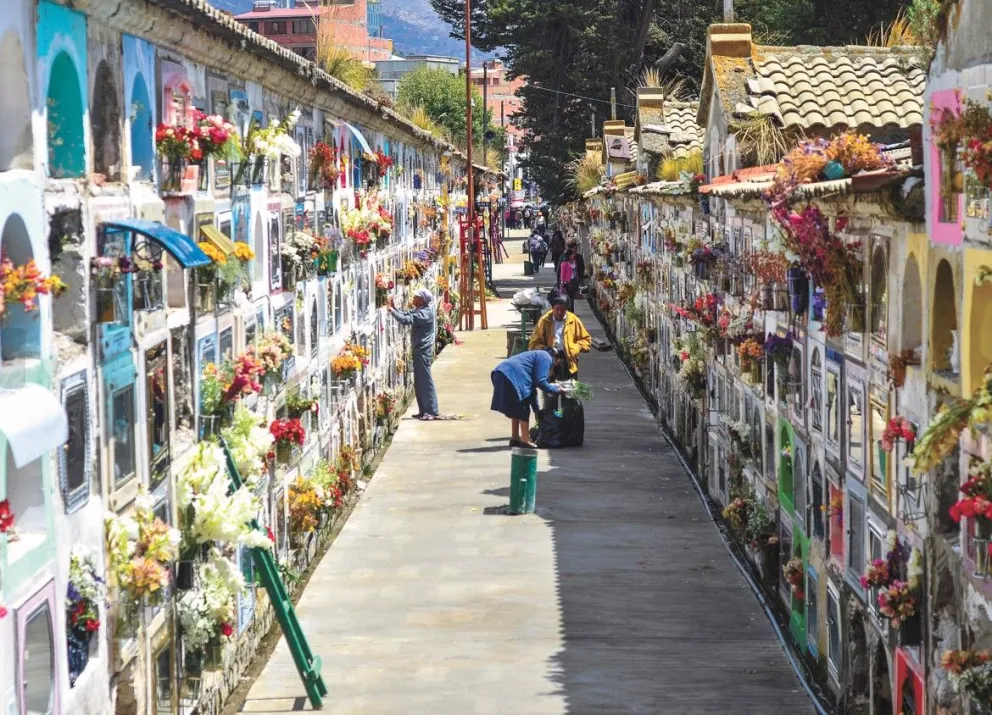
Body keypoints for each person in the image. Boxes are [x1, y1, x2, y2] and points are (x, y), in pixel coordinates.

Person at [491, 347, 568, 448]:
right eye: (558, 363)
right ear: (557, 358)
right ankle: (525, 440)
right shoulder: (546, 358)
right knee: (523, 407)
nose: (555, 366)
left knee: (516, 408)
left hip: (500, 372)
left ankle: (515, 438)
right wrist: (557, 391)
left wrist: (537, 411)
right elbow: (541, 381)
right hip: (512, 375)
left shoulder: (539, 355)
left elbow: (532, 391)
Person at [388, 289, 439, 420]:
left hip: (423, 350)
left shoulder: (425, 313)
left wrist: (391, 311)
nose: (412, 299)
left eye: (415, 297)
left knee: (425, 381)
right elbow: (406, 313)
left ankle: (431, 411)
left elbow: (406, 320)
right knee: (419, 382)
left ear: (422, 300)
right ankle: (423, 410)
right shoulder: (420, 310)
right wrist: (394, 308)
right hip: (418, 350)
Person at [528, 296, 592, 380]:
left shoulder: (574, 320)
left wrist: (575, 348)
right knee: (551, 390)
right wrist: (546, 350)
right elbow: (533, 344)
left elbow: (586, 340)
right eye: (557, 309)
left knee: (570, 390)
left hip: (569, 361)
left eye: (563, 310)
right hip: (550, 361)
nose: (559, 312)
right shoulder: (544, 321)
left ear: (566, 309)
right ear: (552, 308)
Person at [558, 247, 580, 312]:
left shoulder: (574, 262)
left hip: (574, 281)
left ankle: (572, 311)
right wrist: (562, 283)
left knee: (572, 297)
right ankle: (568, 311)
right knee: (568, 298)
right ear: (569, 255)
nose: (573, 255)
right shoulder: (564, 264)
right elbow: (562, 274)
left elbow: (576, 271)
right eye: (572, 254)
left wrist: (577, 279)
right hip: (567, 282)